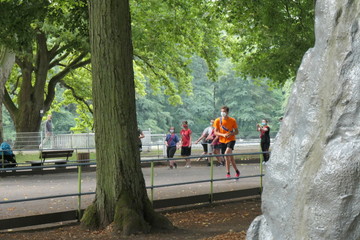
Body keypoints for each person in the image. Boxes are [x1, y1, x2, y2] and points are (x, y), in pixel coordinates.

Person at [213, 106, 240, 178]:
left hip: (231, 140)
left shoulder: (232, 120)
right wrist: (223, 135)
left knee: (226, 154)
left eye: (224, 111)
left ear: (227, 112)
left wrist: (230, 134)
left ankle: (228, 172)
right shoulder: (217, 120)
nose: (222, 113)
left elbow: (237, 132)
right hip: (222, 141)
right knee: (230, 158)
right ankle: (237, 171)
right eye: (221, 111)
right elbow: (215, 132)